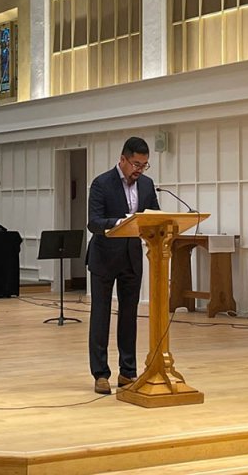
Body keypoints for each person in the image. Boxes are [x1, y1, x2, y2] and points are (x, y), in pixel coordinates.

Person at [86, 136, 160, 394]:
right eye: (136, 164)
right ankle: (100, 374)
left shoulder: (147, 185)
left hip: (132, 258)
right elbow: (94, 222)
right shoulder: (101, 183)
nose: (139, 170)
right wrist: (121, 223)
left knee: (129, 316)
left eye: (144, 165)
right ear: (123, 159)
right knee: (101, 316)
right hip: (104, 258)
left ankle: (128, 372)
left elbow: (155, 216)